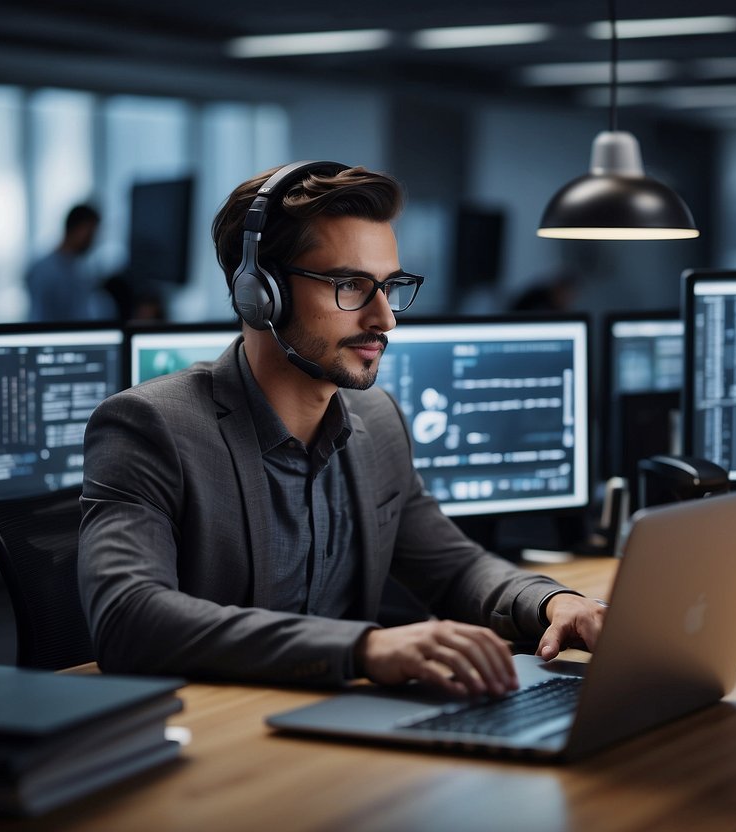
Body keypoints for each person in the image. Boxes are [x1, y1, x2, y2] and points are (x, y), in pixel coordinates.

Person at [78, 162, 606, 697]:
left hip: (341, 734)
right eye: (350, 285)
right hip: (216, 744)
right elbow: (128, 617)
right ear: (259, 292)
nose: (385, 318)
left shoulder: (375, 420)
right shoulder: (150, 426)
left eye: (391, 286)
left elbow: (452, 568)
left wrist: (552, 602)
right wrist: (362, 649)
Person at [26, 203, 110, 321]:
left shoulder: (80, 270)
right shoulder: (44, 270)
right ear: (79, 230)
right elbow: (39, 317)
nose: (93, 240)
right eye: (91, 233)